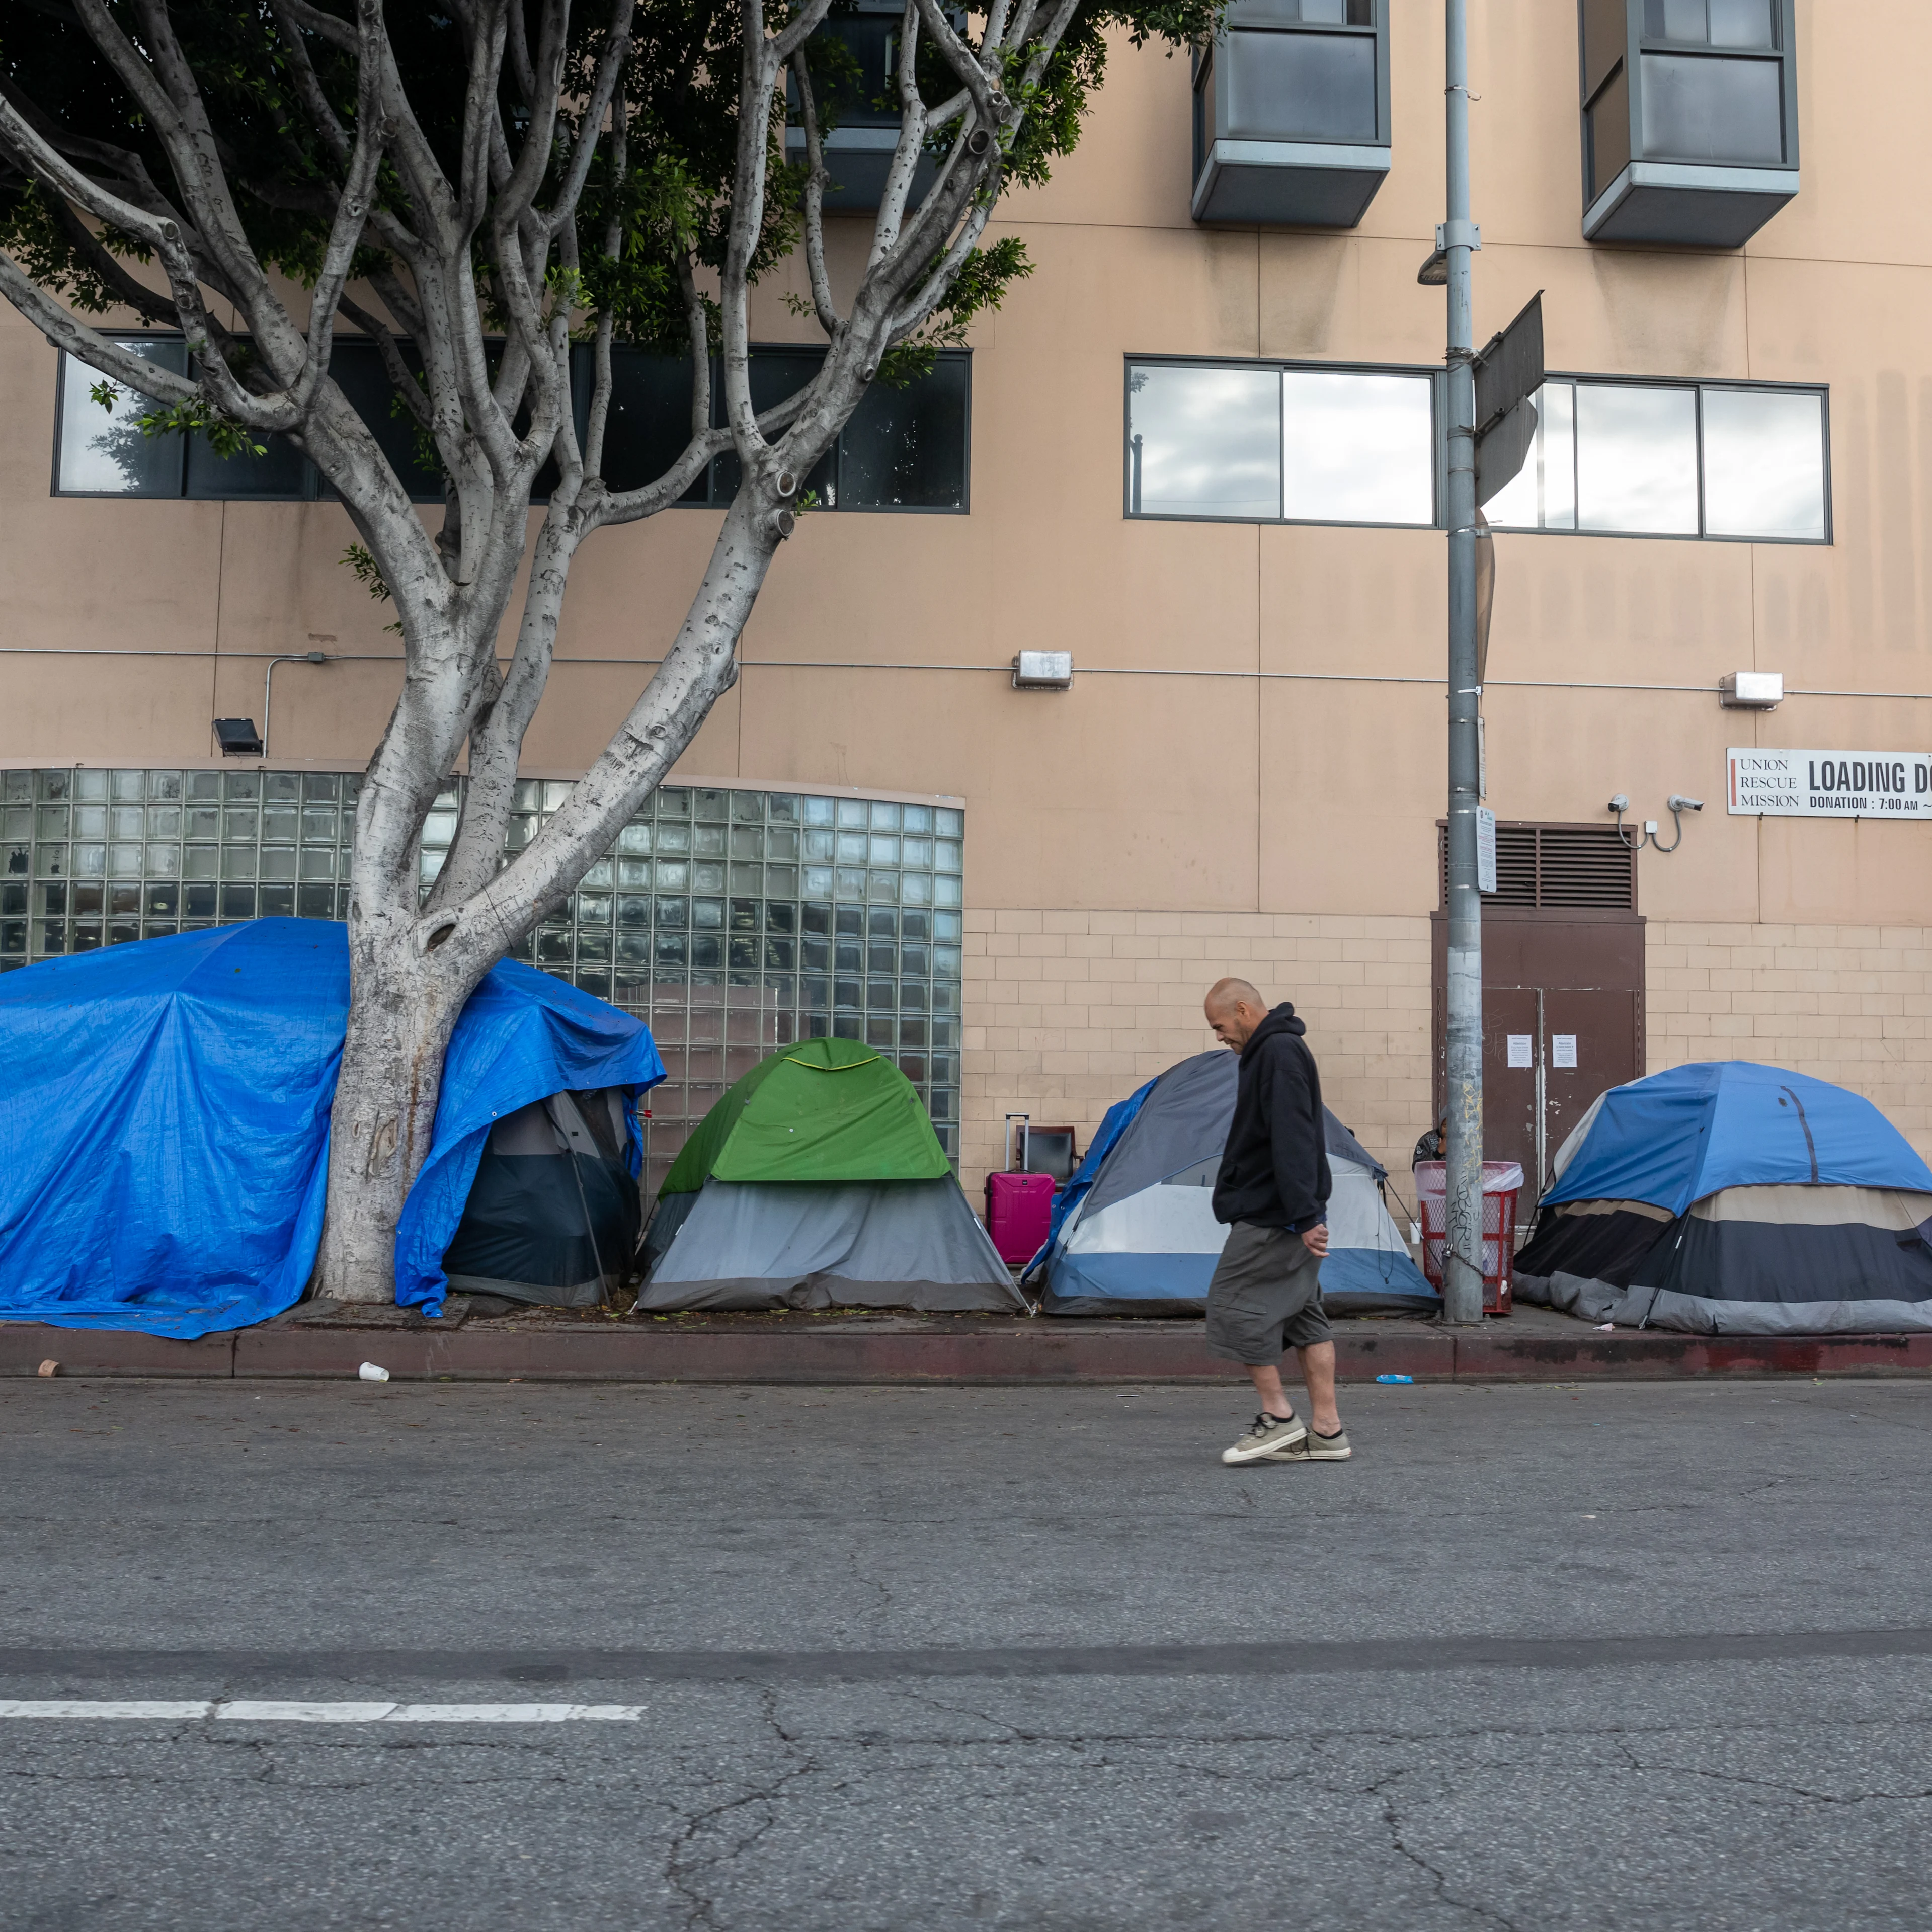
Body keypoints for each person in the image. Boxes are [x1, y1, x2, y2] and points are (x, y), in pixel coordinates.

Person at [1201, 977, 1351, 1466]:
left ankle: (1279, 1418)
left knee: (1233, 1304)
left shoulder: (1278, 1054)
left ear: (1243, 1010)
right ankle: (1328, 1432)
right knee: (1306, 1317)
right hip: (1291, 1210)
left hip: (1275, 1215)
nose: (1219, 1036)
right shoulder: (1276, 1051)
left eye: (1219, 1025)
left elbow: (1293, 1135)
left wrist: (1304, 1215)